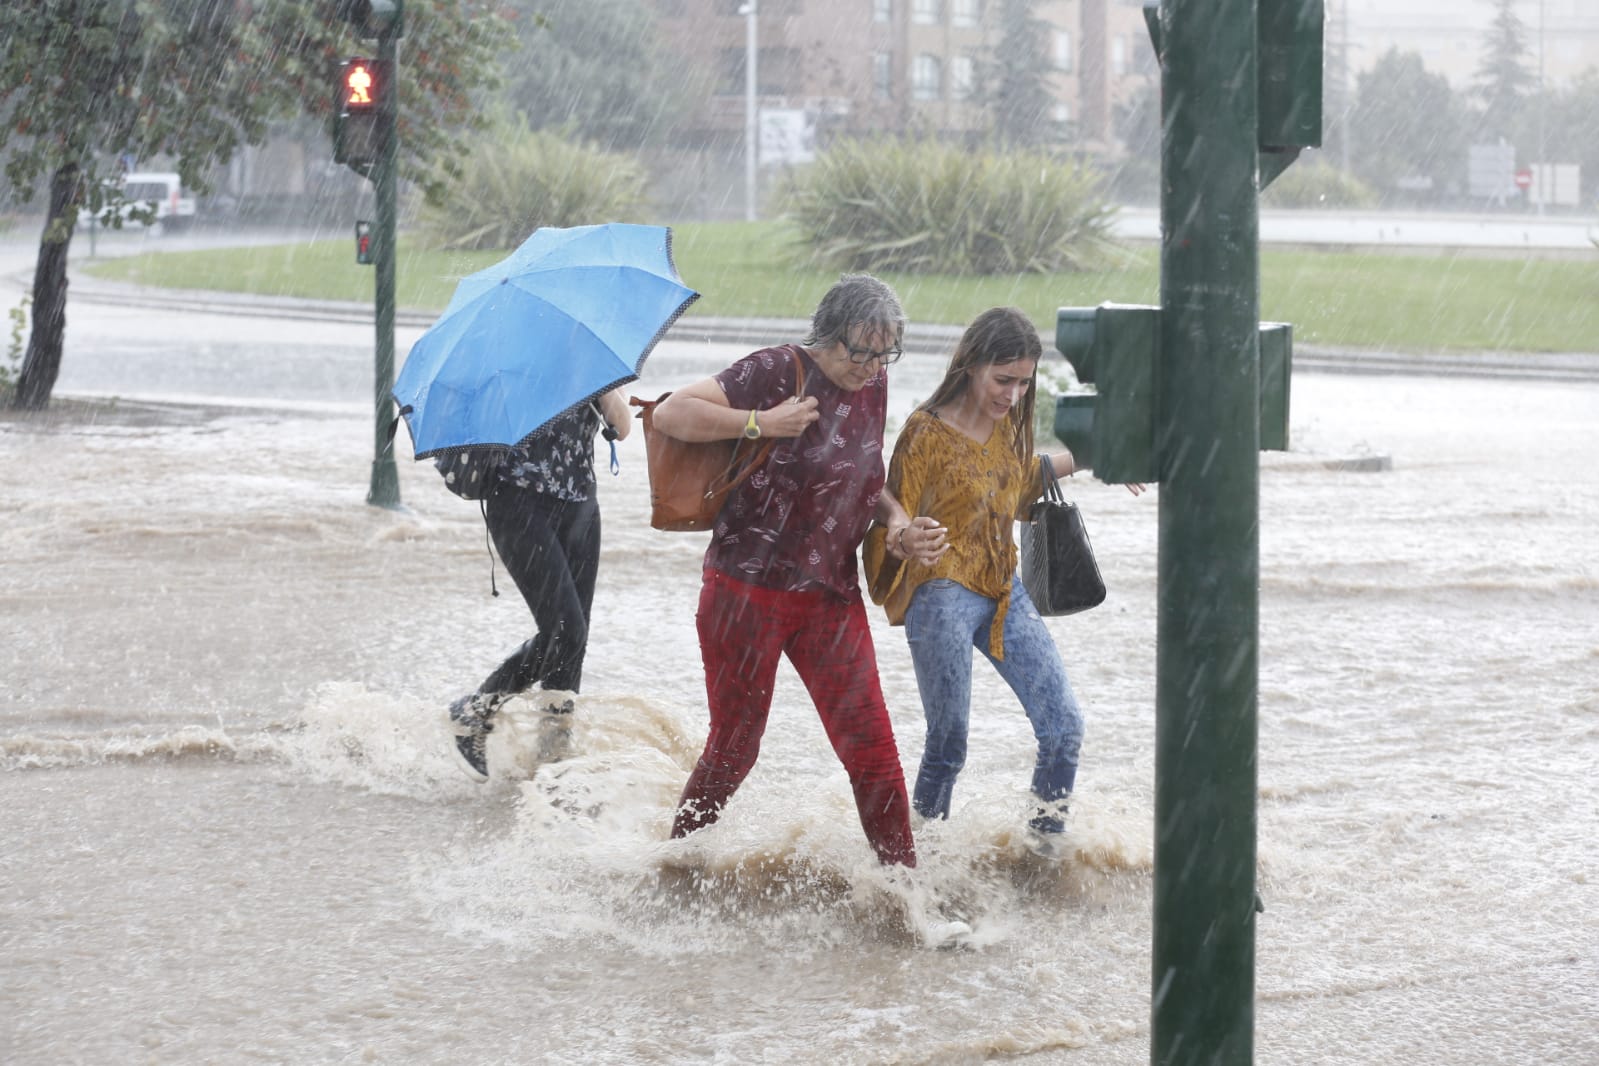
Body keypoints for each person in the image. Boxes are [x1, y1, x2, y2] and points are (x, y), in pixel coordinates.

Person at [650, 274, 938, 868]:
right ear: (827, 334)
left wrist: (898, 522)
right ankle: (674, 863)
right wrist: (760, 422)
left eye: (885, 354)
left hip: (830, 595)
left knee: (873, 750)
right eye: (860, 351)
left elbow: (864, 473)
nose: (871, 367)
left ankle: (905, 887)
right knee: (736, 746)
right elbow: (672, 414)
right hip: (744, 592)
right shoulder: (776, 369)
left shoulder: (873, 382)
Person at [864, 306, 1142, 854]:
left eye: (1024, 382)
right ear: (971, 365)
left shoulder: (1009, 423)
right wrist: (903, 538)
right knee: (948, 744)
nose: (1013, 394)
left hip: (1002, 588)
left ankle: (1043, 851)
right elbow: (888, 513)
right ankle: (918, 869)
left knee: (1064, 727)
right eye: (1003, 380)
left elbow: (1014, 487)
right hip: (939, 593)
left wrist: (1097, 457)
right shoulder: (925, 432)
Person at [446, 390, 631, 782]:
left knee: (575, 638)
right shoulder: (510, 368)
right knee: (567, 630)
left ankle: (553, 753)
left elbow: (623, 427)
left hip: (581, 504)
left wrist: (604, 389)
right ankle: (476, 710)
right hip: (518, 500)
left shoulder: (589, 368)